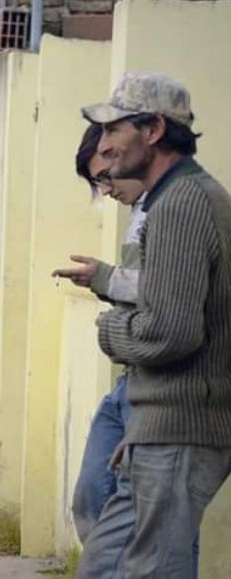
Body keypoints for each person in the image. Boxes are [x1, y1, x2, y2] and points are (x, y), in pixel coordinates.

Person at [81, 71, 231, 578]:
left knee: (154, 570)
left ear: (153, 131)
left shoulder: (182, 205)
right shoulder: (171, 200)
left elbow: (171, 332)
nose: (103, 147)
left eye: (112, 130)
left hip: (183, 427)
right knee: (105, 566)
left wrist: (109, 332)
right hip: (162, 423)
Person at [54, 122, 146, 547]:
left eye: (107, 177)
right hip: (131, 377)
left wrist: (106, 279)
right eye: (98, 182)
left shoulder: (177, 208)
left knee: (158, 524)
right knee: (91, 498)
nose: (105, 190)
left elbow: (168, 289)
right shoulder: (141, 212)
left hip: (161, 388)